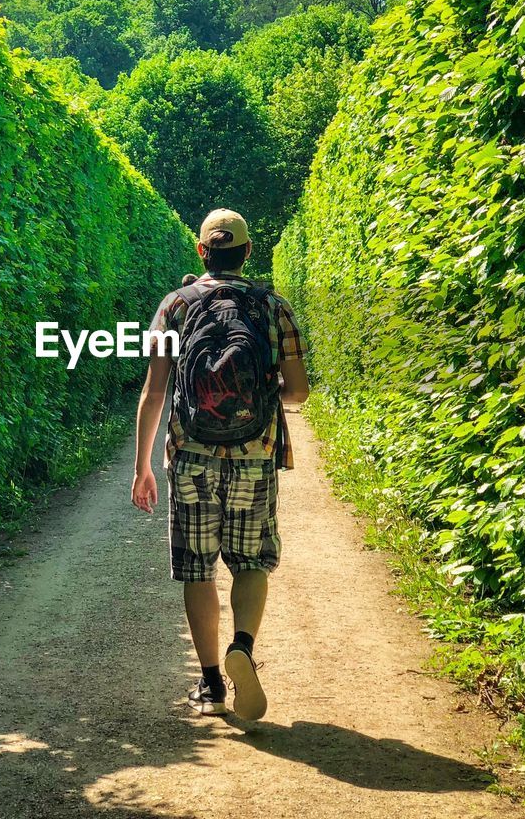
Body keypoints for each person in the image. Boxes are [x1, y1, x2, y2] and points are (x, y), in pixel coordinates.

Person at [131, 208, 309, 720]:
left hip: (190, 455)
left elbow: (155, 391)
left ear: (201, 251)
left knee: (197, 568)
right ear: (248, 252)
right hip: (255, 455)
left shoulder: (177, 306)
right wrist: (265, 393)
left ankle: (210, 685)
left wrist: (142, 466)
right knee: (252, 561)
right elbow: (297, 393)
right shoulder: (273, 307)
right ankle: (244, 648)